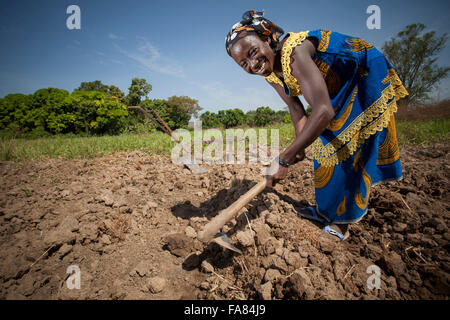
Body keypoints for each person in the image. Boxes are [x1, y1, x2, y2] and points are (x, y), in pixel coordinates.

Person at [225, 10, 408, 240]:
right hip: (334, 89)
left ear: (266, 38)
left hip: (363, 73)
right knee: (324, 147)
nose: (253, 64)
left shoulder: (295, 53)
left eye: (253, 52)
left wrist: (284, 158)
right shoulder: (270, 72)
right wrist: (298, 147)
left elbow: (323, 111)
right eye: (244, 63)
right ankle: (326, 212)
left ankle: (342, 221)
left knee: (347, 144)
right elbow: (295, 108)